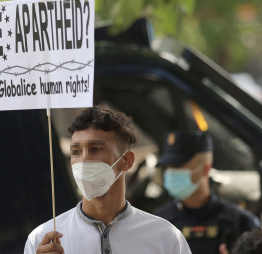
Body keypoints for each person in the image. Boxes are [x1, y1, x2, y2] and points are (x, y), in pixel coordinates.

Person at [24, 105, 192, 254]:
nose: (83, 160)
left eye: (95, 149)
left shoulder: (166, 238)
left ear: (126, 161)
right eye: (76, 151)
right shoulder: (43, 240)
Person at [153, 131, 261, 254]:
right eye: (167, 167)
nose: (170, 173)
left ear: (205, 169)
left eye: (178, 166)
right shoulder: (158, 221)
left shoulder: (241, 222)